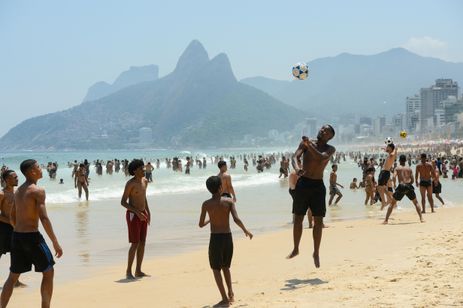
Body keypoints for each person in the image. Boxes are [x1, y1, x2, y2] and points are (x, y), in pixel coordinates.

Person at [0, 159, 63, 308]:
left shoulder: (19, 190)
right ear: (31, 171)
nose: (41, 168)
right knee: (48, 272)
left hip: (17, 236)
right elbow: (44, 218)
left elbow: (12, 217)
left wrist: (18, 229)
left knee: (12, 276)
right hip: (32, 238)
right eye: (38, 167)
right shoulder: (37, 191)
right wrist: (55, 241)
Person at [198, 176, 253, 307]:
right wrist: (246, 230)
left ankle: (224, 298)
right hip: (228, 238)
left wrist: (210, 220)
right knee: (226, 267)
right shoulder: (228, 200)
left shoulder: (206, 204)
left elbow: (200, 224)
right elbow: (236, 219)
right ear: (220, 187)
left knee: (216, 269)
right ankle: (231, 293)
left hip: (215, 239)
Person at [288, 125, 336, 268]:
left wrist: (309, 145)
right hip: (303, 183)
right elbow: (295, 157)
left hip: (318, 186)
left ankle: (316, 252)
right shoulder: (306, 143)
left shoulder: (330, 149)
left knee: (318, 221)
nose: (322, 131)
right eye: (322, 128)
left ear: (330, 137)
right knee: (298, 218)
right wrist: (297, 168)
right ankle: (296, 248)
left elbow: (321, 158)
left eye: (326, 131)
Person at [120, 159, 151, 279]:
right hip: (133, 215)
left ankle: (138, 270)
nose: (143, 170)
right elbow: (123, 202)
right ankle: (128, 271)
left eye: (143, 168)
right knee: (135, 243)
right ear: (135, 171)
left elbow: (144, 197)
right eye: (141, 168)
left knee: (143, 242)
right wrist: (137, 212)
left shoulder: (145, 181)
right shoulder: (130, 184)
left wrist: (148, 212)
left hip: (143, 214)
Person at [0, 170, 25, 288]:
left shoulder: (19, 192)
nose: (17, 179)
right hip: (3, 228)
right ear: (6, 180)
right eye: (14, 177)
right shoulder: (2, 194)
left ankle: (15, 281)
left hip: (17, 228)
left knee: (17, 254)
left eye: (17, 177)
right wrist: (10, 221)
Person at [383, 155, 424, 224]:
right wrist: (409, 184)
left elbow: (393, 177)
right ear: (405, 160)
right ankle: (421, 218)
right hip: (408, 186)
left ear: (399, 160)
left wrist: (395, 184)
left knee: (392, 203)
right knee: (415, 202)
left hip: (401, 186)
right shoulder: (409, 168)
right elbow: (412, 180)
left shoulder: (397, 168)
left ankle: (386, 220)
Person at [378, 143, 397, 210]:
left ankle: (385, 201)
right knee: (382, 187)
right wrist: (385, 149)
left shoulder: (392, 154)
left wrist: (395, 148)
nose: (386, 148)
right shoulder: (392, 154)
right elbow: (389, 152)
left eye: (387, 147)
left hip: (384, 172)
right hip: (385, 172)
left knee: (380, 187)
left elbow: (392, 153)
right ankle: (388, 200)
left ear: (391, 148)